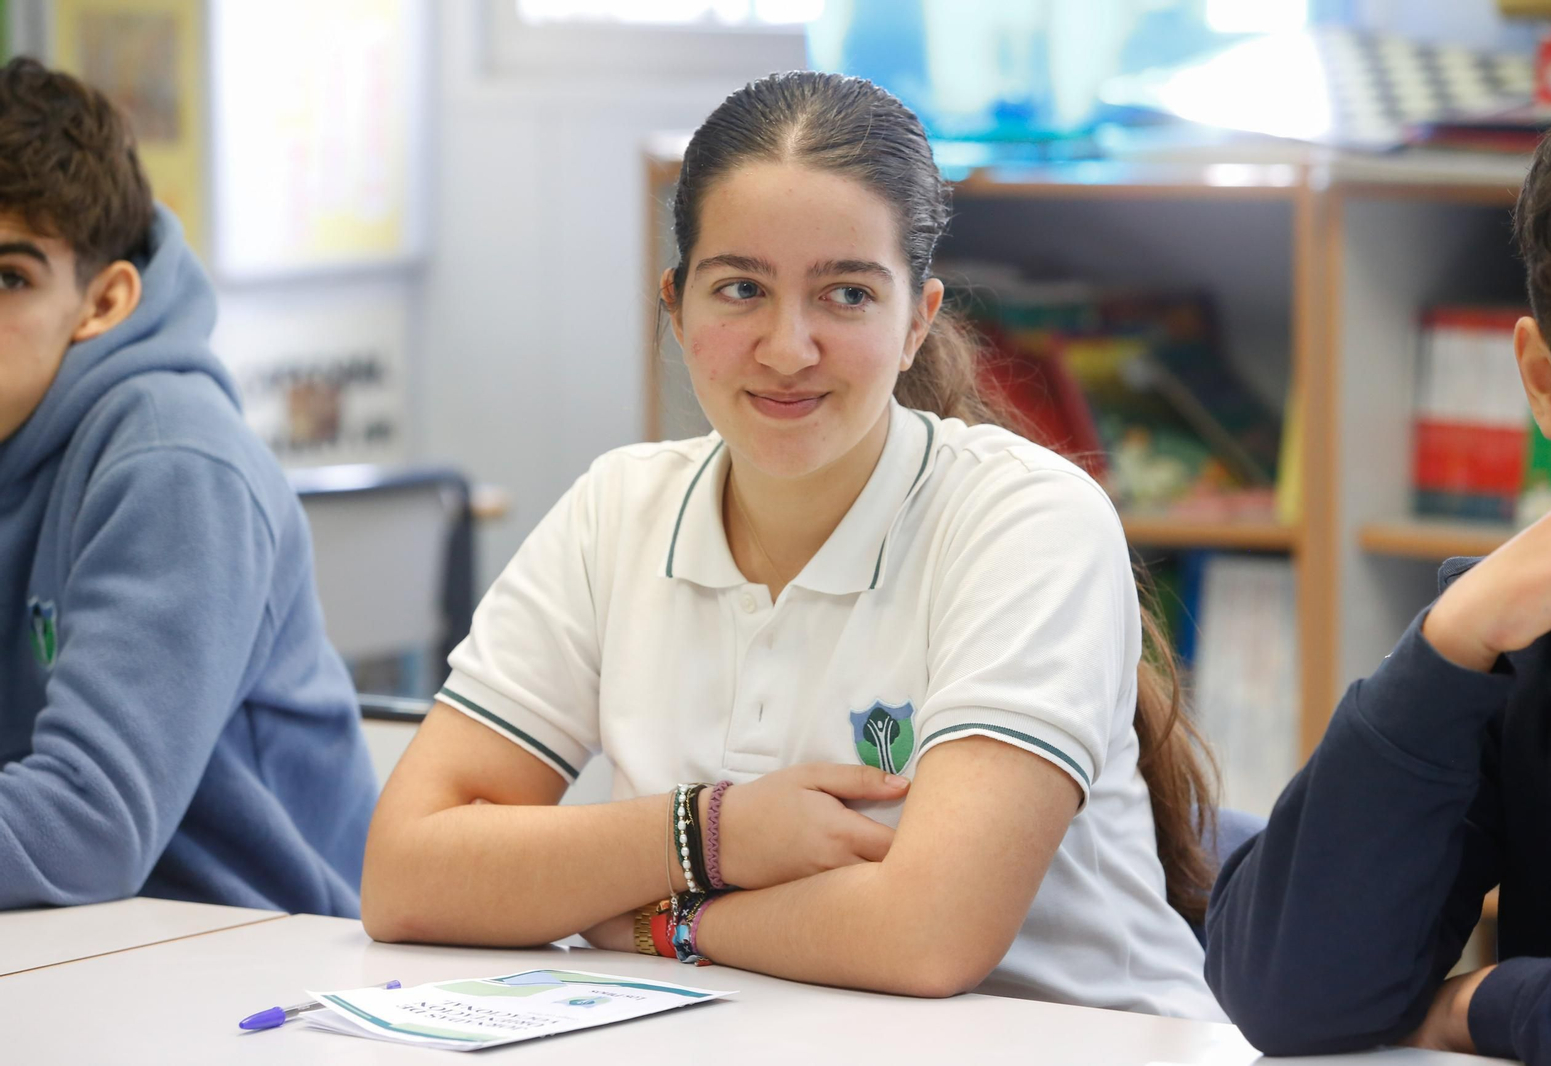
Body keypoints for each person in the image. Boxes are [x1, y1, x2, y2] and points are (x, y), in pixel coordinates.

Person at [362, 71, 1219, 1017]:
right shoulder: (619, 507)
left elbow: (930, 936)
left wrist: (657, 921)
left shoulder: (1028, 521)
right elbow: (406, 875)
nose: (787, 347)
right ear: (676, 307)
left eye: (846, 294)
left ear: (916, 322)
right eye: (741, 289)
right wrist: (712, 832)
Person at [1205, 114, 1551, 1066]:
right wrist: (1449, 646)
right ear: (1544, 385)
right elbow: (1288, 996)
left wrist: (1491, 1004)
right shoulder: (1531, 645)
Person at [0, 57, 374, 915]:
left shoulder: (173, 461)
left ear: (104, 302)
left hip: (275, 953)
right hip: (85, 944)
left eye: (8, 278)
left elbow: (88, 823)